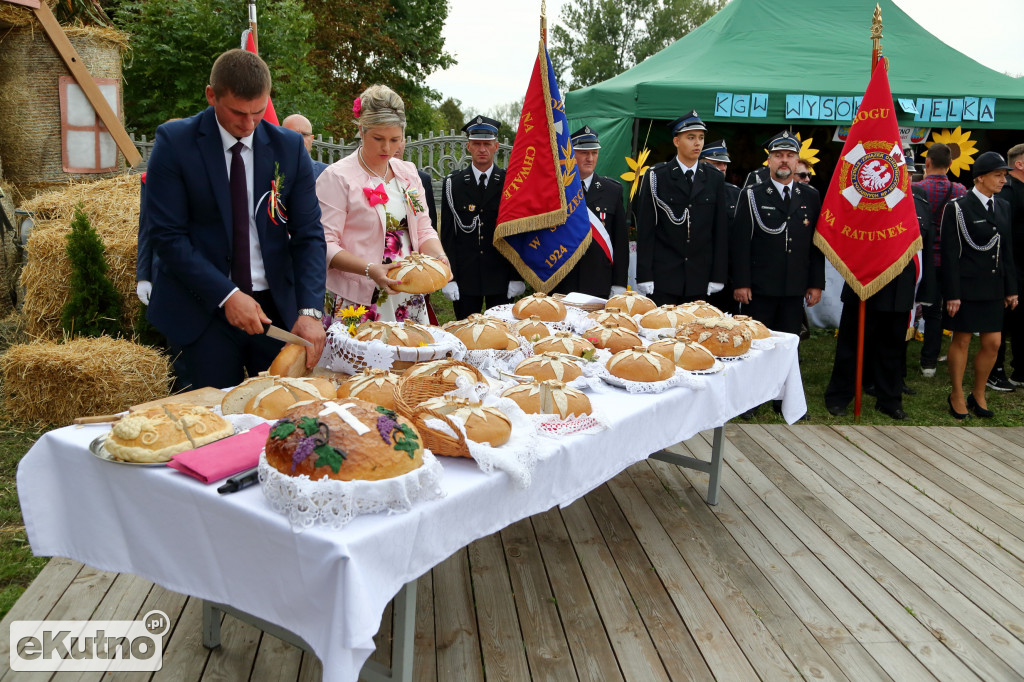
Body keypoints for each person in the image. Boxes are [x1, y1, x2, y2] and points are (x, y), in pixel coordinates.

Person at [145, 49, 326, 390]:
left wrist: (310, 312)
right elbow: (167, 236)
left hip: (275, 311)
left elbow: (309, 235)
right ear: (211, 95)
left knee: (280, 421)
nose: (248, 125)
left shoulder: (289, 147)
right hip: (200, 311)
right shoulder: (175, 143)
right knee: (207, 427)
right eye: (237, 113)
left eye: (258, 112)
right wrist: (227, 295)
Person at [317, 84, 448, 324]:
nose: (388, 148)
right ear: (361, 130)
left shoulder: (408, 173)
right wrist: (369, 269)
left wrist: (438, 256)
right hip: (358, 298)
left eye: (395, 139)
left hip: (407, 295)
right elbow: (325, 244)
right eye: (378, 138)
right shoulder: (337, 177)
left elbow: (422, 229)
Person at [825, 183, 936, 420]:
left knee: (893, 349)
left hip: (901, 286)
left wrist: (924, 292)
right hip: (865, 281)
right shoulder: (868, 197)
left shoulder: (921, 201)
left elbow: (924, 248)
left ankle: (889, 400)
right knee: (851, 346)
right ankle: (839, 396)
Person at [942, 151, 1019, 419]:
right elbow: (950, 255)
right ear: (980, 178)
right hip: (966, 287)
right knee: (961, 339)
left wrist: (1011, 288)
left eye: (1005, 175)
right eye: (998, 175)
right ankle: (957, 394)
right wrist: (952, 294)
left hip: (993, 285)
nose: (1003, 180)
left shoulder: (1003, 206)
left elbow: (1007, 250)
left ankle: (978, 393)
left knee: (993, 343)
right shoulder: (958, 207)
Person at [731, 130, 824, 334]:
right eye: (778, 155)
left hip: (794, 288)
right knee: (757, 343)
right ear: (769, 161)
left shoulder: (810, 196)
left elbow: (816, 244)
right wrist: (741, 283)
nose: (784, 160)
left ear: (797, 160)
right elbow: (740, 243)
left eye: (790, 156)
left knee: (790, 344)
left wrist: (816, 283)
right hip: (759, 289)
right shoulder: (752, 194)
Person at [635, 110, 728, 305]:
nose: (698, 143)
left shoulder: (714, 178)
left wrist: (718, 275)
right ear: (677, 141)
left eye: (701, 138)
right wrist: (645, 274)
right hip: (664, 276)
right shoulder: (657, 176)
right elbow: (646, 230)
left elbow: (720, 230)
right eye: (691, 137)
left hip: (699, 276)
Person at [440, 116, 523, 319]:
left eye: (487, 144)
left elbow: (517, 232)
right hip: (466, 277)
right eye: (477, 144)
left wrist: (516, 276)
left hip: (501, 275)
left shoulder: (509, 183)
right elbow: (449, 236)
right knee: (467, 334)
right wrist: (450, 278)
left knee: (502, 336)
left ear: (496, 146)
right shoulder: (454, 183)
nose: (482, 149)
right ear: (468, 146)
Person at [551, 125, 628, 298]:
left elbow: (620, 242)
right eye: (584, 153)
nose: (590, 158)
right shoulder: (556, 190)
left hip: (598, 281)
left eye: (594, 153)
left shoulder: (612, 190)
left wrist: (619, 283)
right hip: (562, 280)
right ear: (571, 154)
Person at [914, 142, 967, 378]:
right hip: (950, 258)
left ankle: (925, 362)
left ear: (927, 163)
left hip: (925, 258)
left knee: (927, 310)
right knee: (946, 309)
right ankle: (932, 361)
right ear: (951, 164)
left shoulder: (917, 188)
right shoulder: (960, 190)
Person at [990, 143, 1024, 388]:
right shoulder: (1008, 192)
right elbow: (1002, 233)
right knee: (1002, 320)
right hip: (1010, 267)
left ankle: (1020, 370)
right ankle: (995, 370)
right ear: (1020, 164)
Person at [395, 137, 439, 233]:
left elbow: (430, 225)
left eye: (399, 140)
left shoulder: (422, 179)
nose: (396, 146)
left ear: (405, 142)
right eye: (393, 140)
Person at [699, 139, 740, 218]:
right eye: (717, 163)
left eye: (725, 164)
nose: (723, 168)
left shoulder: (735, 193)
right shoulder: (691, 191)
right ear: (701, 165)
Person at [282, 113, 328, 179]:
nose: (300, 139)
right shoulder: (269, 169)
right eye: (293, 134)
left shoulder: (326, 172)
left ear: (312, 139)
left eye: (304, 135)